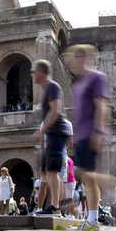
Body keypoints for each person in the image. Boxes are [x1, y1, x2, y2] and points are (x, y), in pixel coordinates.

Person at [32, 59, 71, 215]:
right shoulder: (48, 88)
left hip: (56, 132)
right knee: (48, 172)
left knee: (53, 171)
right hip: (51, 133)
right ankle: (53, 206)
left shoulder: (53, 87)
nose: (33, 75)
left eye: (34, 72)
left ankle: (55, 207)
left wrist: (43, 130)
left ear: (41, 72)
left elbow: (56, 110)